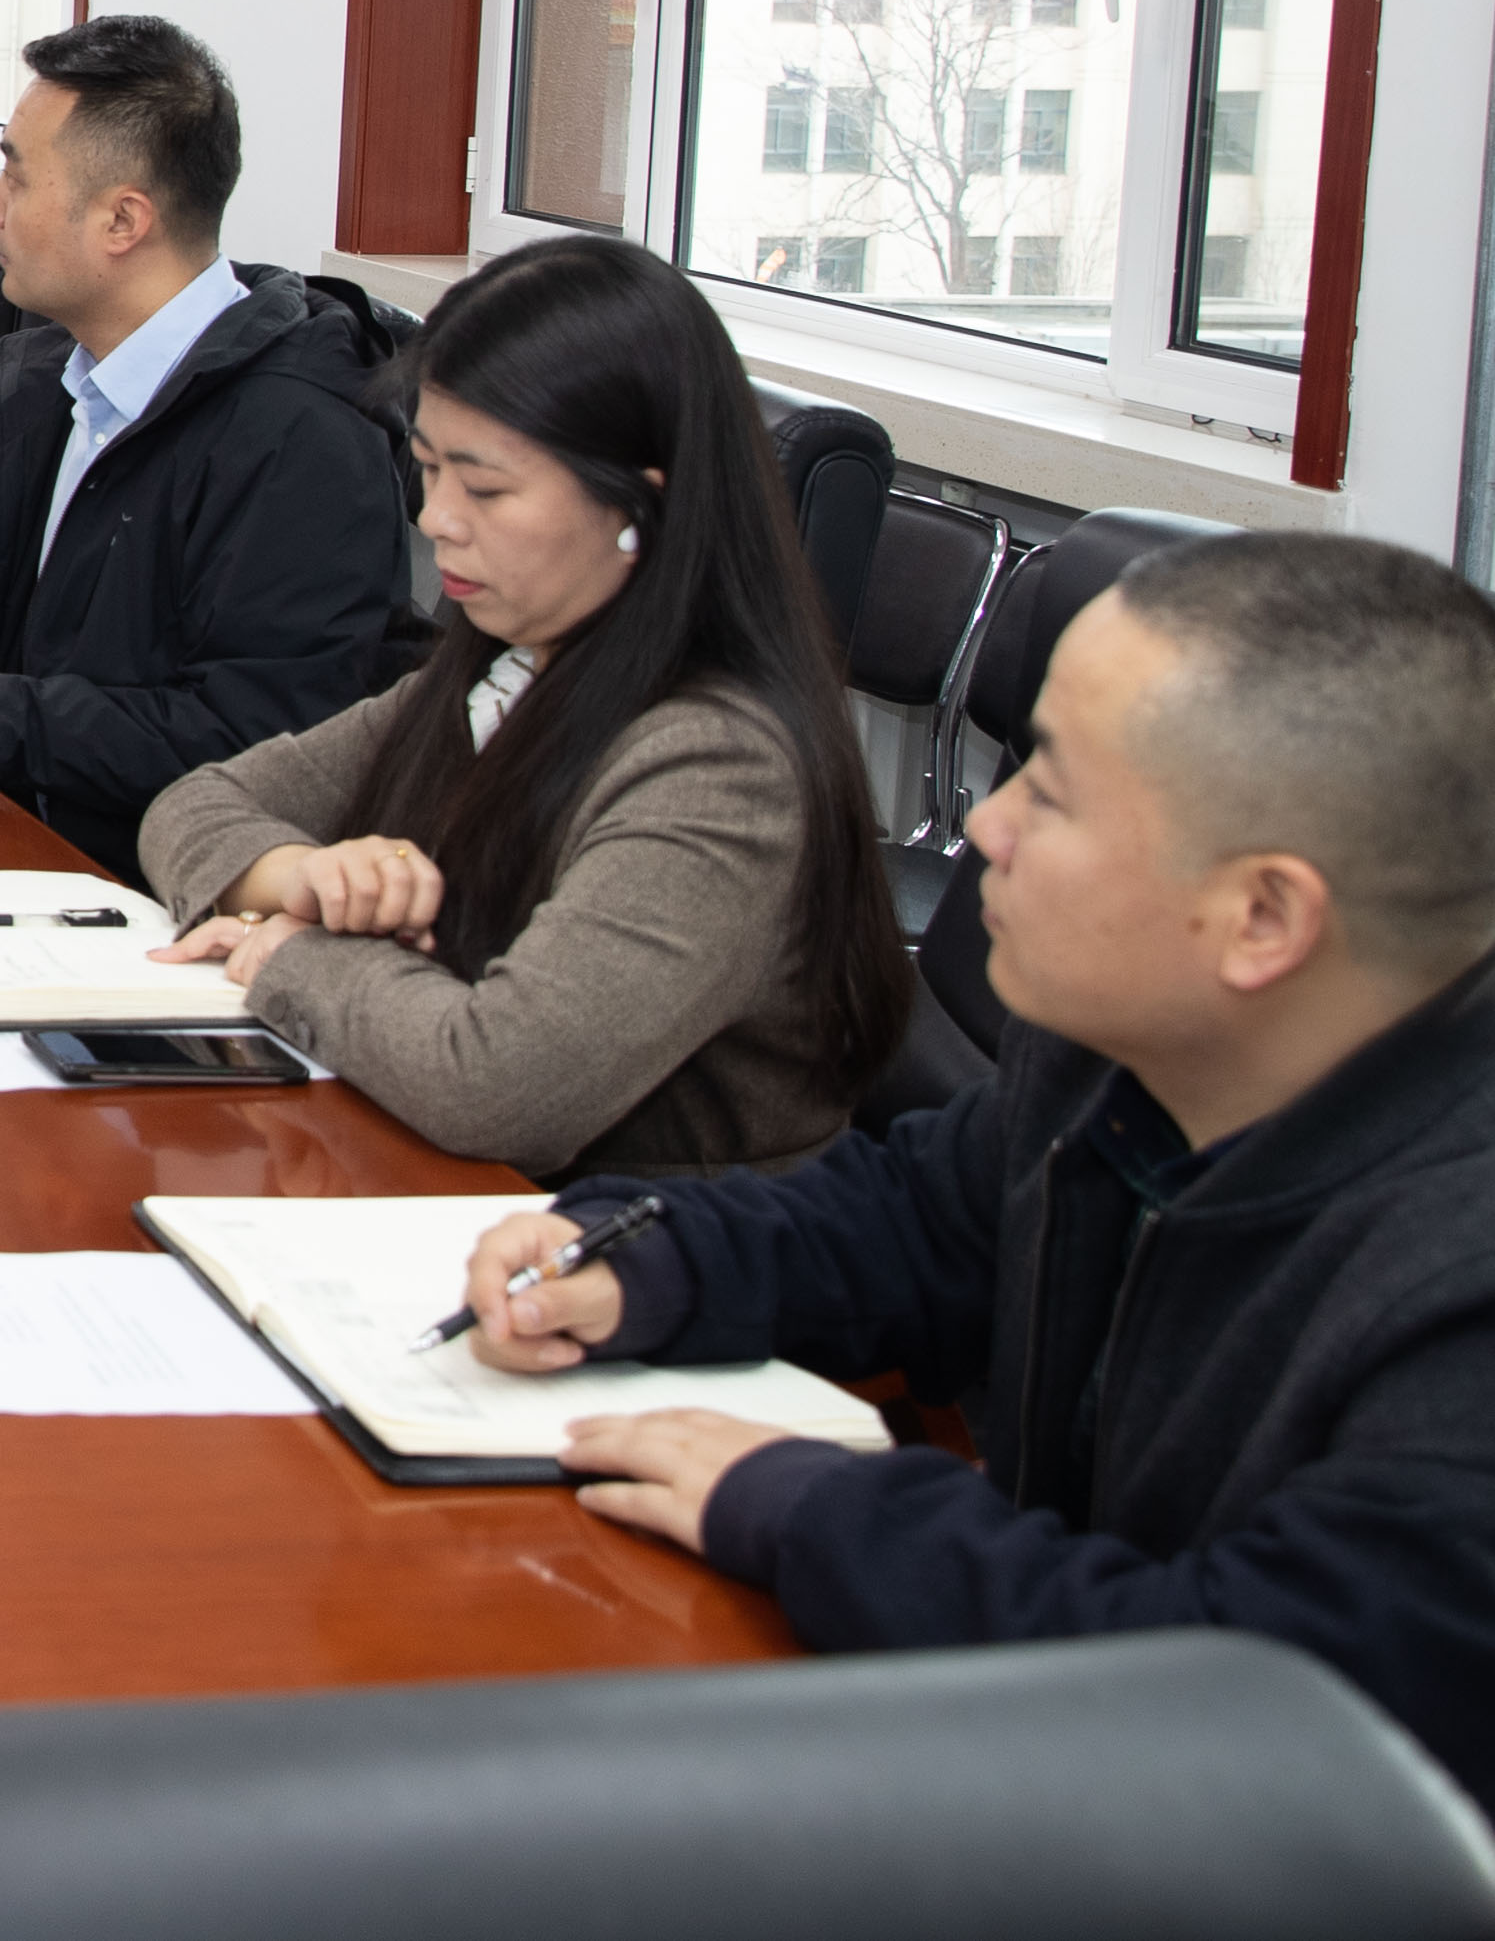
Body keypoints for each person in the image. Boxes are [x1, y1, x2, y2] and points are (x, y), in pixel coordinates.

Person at [447, 532, 1495, 1797]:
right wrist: (648, 1259)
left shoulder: (1459, 1292)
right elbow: (913, 1222)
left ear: (1262, 918)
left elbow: (1260, 1701)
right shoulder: (1122, 1052)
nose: (984, 825)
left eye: (1051, 791)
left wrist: (818, 1509)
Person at [132, 237, 905, 1177]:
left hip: (640, 1245)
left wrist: (293, 950)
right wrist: (298, 876)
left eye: (486, 488)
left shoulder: (720, 764)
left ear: (641, 506)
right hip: (437, 1186)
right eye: (428, 469)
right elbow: (192, 804)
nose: (436, 519)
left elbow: (495, 1087)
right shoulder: (508, 665)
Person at [0, 14, 413, 875]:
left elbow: (253, 740)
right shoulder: (66, 374)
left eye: (15, 179)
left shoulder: (298, 433)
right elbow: (18, 606)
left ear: (121, 220)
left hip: (152, 891)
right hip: (18, 847)